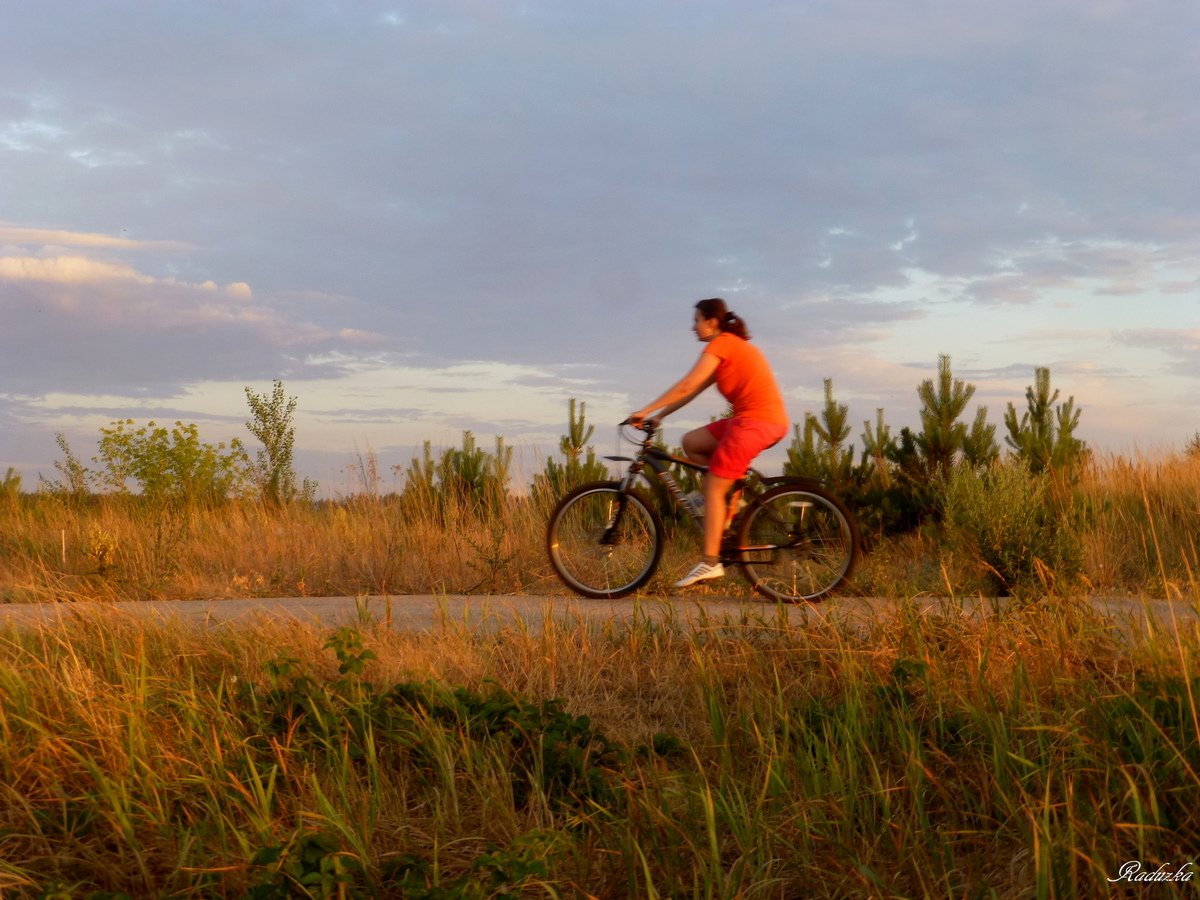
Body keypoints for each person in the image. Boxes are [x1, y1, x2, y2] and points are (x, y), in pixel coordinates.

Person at [629, 298, 789, 588]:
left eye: (696, 320)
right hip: (753, 420)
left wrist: (645, 410)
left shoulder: (723, 344)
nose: (693, 326)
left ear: (711, 322)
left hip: (757, 422)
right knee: (692, 442)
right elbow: (691, 392)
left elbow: (687, 384)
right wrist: (660, 416)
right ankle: (726, 500)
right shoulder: (727, 348)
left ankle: (710, 562)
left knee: (714, 486)